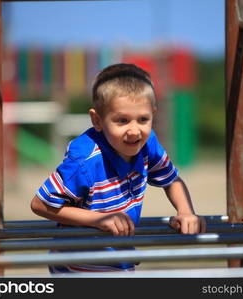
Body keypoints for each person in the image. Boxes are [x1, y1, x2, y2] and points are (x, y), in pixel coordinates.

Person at [30, 63, 206, 274]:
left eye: (143, 119)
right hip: (78, 262)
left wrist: (185, 212)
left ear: (153, 115)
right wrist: (100, 219)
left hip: (119, 257)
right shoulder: (85, 160)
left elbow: (172, 181)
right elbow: (40, 204)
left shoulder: (148, 144)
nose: (134, 131)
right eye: (122, 120)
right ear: (97, 120)